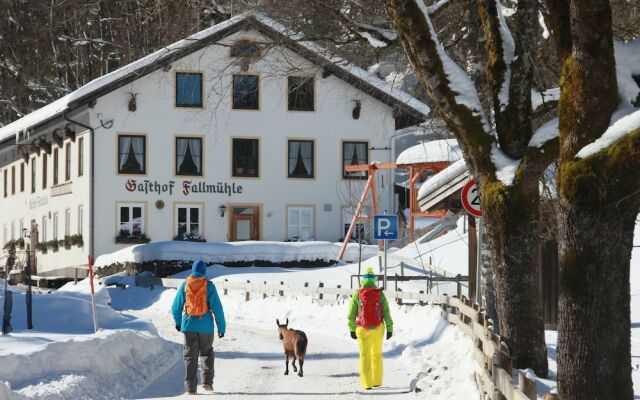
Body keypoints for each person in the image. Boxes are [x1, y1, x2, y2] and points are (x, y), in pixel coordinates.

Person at [171, 260, 226, 395]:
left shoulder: (185, 284)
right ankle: (207, 381)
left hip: (188, 325)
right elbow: (218, 309)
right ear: (204, 271)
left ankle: (190, 387)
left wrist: (178, 322)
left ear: (192, 269)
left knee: (190, 356)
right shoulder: (209, 286)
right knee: (206, 353)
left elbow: (175, 307)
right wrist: (221, 328)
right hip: (206, 326)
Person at [347, 267, 393, 390]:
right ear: (374, 280)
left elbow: (351, 314)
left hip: (362, 329)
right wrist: (390, 328)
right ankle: (377, 381)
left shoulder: (358, 294)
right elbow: (386, 312)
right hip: (378, 328)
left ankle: (367, 383)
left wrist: (352, 329)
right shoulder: (379, 293)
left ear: (363, 280)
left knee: (364, 355)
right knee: (377, 355)